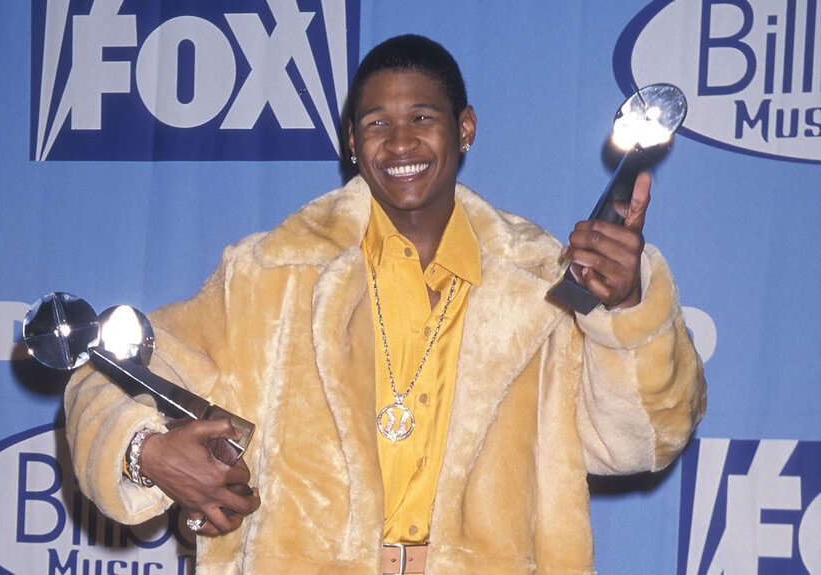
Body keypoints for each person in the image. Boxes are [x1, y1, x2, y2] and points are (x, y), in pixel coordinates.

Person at [64, 34, 706, 574]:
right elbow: (111, 368)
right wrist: (141, 451)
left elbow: (642, 441)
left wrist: (626, 310)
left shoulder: (545, 283)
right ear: (351, 140)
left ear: (465, 127)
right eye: (377, 123)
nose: (400, 143)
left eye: (422, 118)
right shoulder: (271, 274)